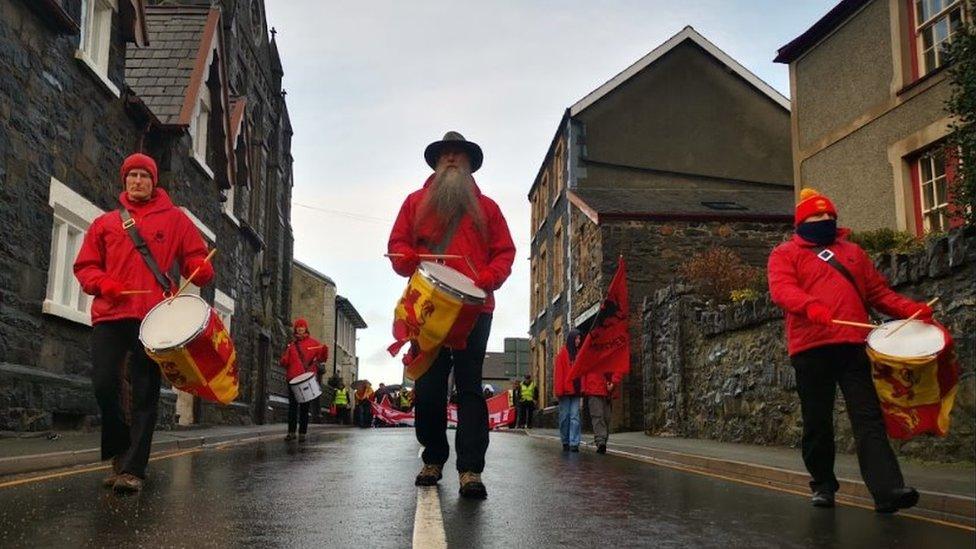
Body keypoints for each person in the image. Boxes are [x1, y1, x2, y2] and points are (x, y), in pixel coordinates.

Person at [768, 188, 931, 513]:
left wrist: (911, 309)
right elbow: (782, 289)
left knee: (868, 417)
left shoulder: (854, 252)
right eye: (817, 216)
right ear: (802, 221)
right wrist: (810, 305)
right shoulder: (785, 254)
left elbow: (878, 293)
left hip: (853, 347)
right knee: (817, 421)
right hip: (810, 348)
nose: (825, 219)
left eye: (830, 215)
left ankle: (888, 491)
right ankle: (823, 485)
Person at [74, 152, 215, 493]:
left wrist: (200, 266)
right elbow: (85, 266)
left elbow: (194, 256)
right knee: (104, 384)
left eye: (144, 176)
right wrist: (103, 283)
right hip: (110, 314)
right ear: (125, 181)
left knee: (145, 393)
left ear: (154, 182)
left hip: (154, 318)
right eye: (132, 175)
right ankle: (120, 452)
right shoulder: (105, 223)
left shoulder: (176, 220)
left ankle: (133, 469)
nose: (137, 181)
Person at [388, 131, 515, 499]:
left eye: (459, 154)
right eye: (446, 155)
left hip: (474, 309)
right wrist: (405, 258)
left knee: (471, 387)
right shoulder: (414, 202)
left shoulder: (488, 208)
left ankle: (471, 469)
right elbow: (397, 246)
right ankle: (433, 458)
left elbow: (504, 253)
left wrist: (485, 280)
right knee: (428, 387)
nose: (453, 159)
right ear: (437, 163)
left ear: (471, 165)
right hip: (428, 305)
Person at [279, 318, 329, 442]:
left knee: (304, 407)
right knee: (292, 407)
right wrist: (284, 359)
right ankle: (291, 432)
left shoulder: (314, 343)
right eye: (298, 327)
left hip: (306, 379)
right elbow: (284, 361)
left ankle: (302, 433)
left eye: (302, 326)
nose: (300, 328)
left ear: (306, 329)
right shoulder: (291, 345)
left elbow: (322, 359)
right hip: (293, 379)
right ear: (295, 329)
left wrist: (325, 351)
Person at [553, 330, 583, 452]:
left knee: (575, 416)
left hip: (576, 390)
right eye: (576, 339)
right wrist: (559, 391)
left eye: (579, 339)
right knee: (565, 417)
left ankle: (574, 442)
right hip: (565, 391)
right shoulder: (562, 355)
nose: (578, 341)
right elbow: (559, 374)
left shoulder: (579, 354)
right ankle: (565, 440)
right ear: (571, 339)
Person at [582, 369, 623, 455]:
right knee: (597, 416)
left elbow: (617, 367)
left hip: (606, 388)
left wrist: (614, 382)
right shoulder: (589, 355)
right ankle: (601, 441)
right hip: (593, 386)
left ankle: (603, 440)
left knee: (606, 417)